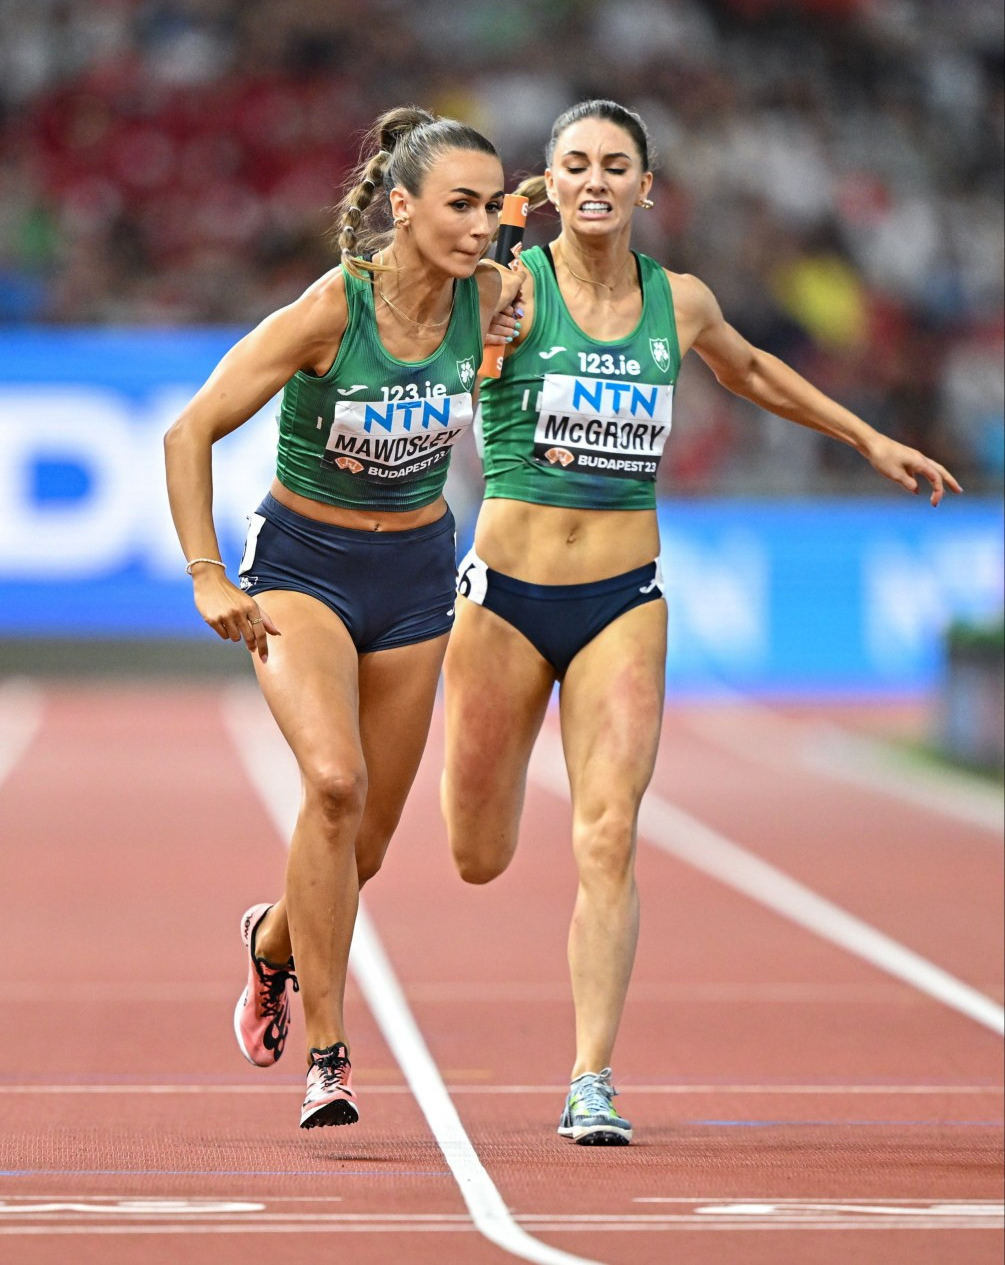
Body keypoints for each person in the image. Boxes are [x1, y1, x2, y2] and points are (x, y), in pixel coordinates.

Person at [441, 99, 961, 1147]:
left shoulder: (678, 303)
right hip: (503, 597)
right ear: (551, 182)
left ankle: (592, 1076)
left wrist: (868, 440)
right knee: (477, 853)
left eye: (615, 165)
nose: (596, 180)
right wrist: (500, 227)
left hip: (623, 600)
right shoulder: (508, 288)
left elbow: (756, 370)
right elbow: (424, 294)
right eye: (575, 163)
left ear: (646, 185)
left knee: (608, 830)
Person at [164, 106, 521, 1131]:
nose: (481, 225)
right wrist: (205, 575)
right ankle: (330, 1052)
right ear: (399, 207)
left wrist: (545, 202)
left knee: (357, 848)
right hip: (305, 571)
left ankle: (272, 937)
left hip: (416, 576)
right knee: (331, 781)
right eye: (460, 204)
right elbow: (188, 432)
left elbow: (562, 255)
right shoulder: (331, 309)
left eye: (491, 207)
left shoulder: (491, 294)